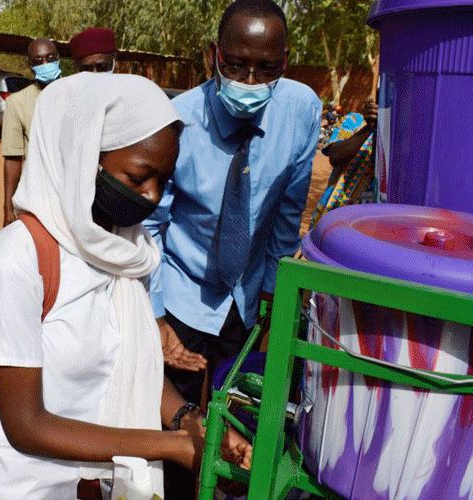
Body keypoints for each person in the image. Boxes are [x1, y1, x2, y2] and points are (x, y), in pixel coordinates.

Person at [0, 72, 251, 499]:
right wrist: (173, 447)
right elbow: (26, 424)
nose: (152, 197)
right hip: (36, 486)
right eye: (138, 178)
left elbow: (130, 361)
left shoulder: (127, 249)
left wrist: (190, 421)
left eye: (164, 180)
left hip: (107, 480)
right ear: (84, 157)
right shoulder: (18, 260)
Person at [144, 1, 321, 495]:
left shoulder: (301, 111)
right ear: (213, 56)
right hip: (182, 292)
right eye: (237, 64)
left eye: (266, 68)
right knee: (175, 417)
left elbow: (286, 213)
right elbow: (153, 223)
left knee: (241, 414)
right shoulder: (177, 120)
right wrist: (155, 315)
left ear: (285, 62)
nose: (250, 80)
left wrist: (274, 300)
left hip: (246, 296)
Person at [1, 38, 61, 226]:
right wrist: (8, 207)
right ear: (30, 66)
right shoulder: (17, 102)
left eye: (51, 58)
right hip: (37, 194)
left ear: (58, 59)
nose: (46, 64)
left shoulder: (78, 94)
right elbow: (13, 157)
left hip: (73, 192)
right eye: (38, 61)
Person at [310, 100, 377, 227]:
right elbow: (335, 156)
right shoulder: (355, 121)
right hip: (338, 213)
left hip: (375, 222)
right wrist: (369, 128)